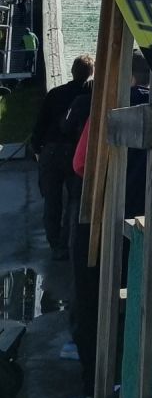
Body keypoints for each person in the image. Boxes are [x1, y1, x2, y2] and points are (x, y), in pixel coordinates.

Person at [65, 53, 151, 398]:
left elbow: (82, 163)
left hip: (100, 218)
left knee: (93, 306)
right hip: (144, 221)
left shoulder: (109, 107)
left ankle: (97, 391)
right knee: (135, 307)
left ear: (125, 76)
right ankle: (131, 385)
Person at [29, 55, 94, 260]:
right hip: (74, 153)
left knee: (52, 200)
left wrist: (37, 149)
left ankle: (55, 245)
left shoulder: (55, 93)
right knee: (74, 200)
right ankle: (69, 242)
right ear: (90, 74)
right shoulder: (88, 96)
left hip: (50, 151)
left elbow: (40, 124)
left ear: (72, 71)